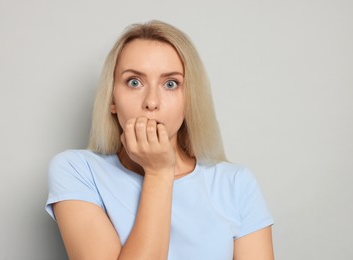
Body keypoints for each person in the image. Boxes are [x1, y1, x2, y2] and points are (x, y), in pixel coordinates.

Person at [45, 20, 274, 260]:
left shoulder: (236, 184)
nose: (151, 102)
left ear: (190, 100)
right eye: (134, 82)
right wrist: (158, 173)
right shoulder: (77, 170)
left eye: (170, 84)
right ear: (112, 99)